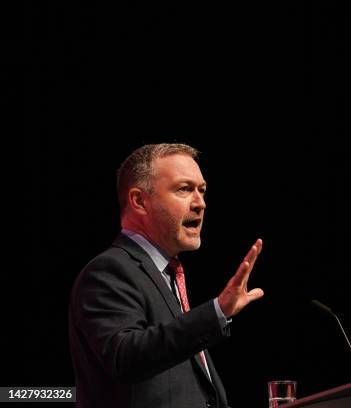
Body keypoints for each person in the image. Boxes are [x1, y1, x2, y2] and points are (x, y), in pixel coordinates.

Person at [69, 143, 263, 408]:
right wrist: (217, 311)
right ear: (139, 201)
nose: (201, 203)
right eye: (184, 189)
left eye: (202, 190)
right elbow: (125, 358)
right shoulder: (108, 271)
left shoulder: (167, 274)